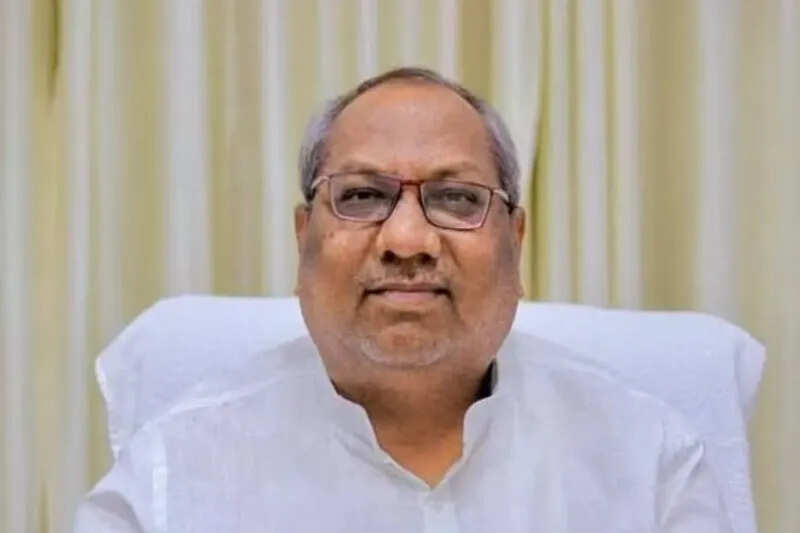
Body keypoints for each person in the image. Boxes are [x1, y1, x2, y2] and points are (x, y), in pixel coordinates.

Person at [75, 67, 732, 532]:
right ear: (304, 239)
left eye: (457, 198)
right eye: (362, 196)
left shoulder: (650, 463)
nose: (408, 239)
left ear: (515, 241)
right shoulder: (170, 479)